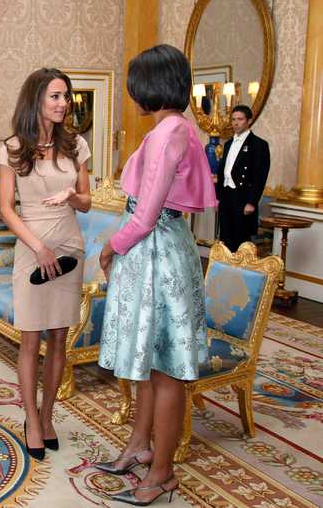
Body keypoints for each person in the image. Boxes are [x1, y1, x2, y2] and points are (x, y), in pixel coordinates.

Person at [96, 44, 217, 505]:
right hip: (164, 249)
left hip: (157, 254)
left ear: (148, 86)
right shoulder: (177, 128)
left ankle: (162, 473)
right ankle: (139, 446)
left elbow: (145, 215)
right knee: (148, 362)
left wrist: (111, 246)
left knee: (164, 368)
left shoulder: (168, 132)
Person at [0, 68, 91, 461]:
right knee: (31, 338)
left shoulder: (76, 145)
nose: (63, 103)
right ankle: (31, 420)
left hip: (69, 247)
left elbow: (87, 201)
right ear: (36, 98)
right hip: (32, 248)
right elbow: (6, 208)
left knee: (58, 339)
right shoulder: (12, 149)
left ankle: (48, 417)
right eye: (55, 96)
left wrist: (72, 195)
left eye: (65, 96)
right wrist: (37, 247)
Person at [216, 105, 270, 252]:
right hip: (227, 195)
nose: (235, 123)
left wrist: (251, 202)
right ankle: (225, 272)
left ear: (249, 121)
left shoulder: (259, 145)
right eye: (233, 119)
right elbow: (223, 172)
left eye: (240, 119)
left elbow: (260, 176)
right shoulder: (227, 144)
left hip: (243, 198)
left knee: (241, 242)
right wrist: (218, 197)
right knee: (225, 239)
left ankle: (240, 274)